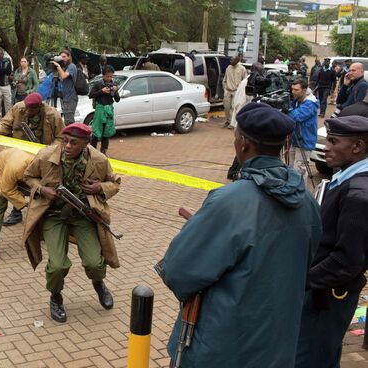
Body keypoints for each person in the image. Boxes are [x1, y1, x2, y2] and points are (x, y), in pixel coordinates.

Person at [156, 103, 321, 368]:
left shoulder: (228, 201)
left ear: (244, 143)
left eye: (235, 137)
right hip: (278, 344)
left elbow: (179, 271)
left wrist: (199, 229)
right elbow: (304, 265)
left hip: (223, 345)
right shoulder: (307, 201)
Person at [22, 122, 121, 323]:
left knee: (94, 262)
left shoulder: (99, 160)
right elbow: (28, 176)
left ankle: (98, 283)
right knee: (57, 265)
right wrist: (42, 190)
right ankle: (55, 296)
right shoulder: (46, 155)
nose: (67, 146)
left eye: (73, 143)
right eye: (65, 141)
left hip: (82, 216)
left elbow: (115, 182)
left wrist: (100, 187)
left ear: (85, 143)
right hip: (54, 216)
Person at [294, 116, 368, 368]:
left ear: (357, 147)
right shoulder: (347, 178)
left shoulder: (358, 193)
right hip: (323, 291)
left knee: (310, 357)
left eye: (334, 142)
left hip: (327, 296)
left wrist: (301, 281)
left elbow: (347, 260)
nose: (326, 146)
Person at [0, 92, 65, 225]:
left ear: (39, 107)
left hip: (43, 157)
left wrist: (47, 151)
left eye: (31, 109)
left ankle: (43, 214)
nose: (27, 111)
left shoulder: (52, 115)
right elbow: (5, 124)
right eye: (27, 108)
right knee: (15, 182)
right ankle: (16, 211)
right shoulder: (18, 108)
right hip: (20, 154)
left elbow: (61, 137)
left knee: (41, 185)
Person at [0, 148, 34, 262]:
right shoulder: (15, 169)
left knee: (40, 198)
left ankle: (40, 232)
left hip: (19, 166)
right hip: (2, 171)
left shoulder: (41, 164)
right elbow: (6, 190)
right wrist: (25, 203)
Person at [288, 78, 319, 180]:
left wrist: (286, 109)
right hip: (295, 139)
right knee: (291, 169)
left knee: (299, 171)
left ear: (304, 90)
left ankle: (301, 193)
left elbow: (296, 117)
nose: (293, 92)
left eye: (296, 90)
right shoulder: (297, 100)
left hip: (305, 141)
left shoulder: (310, 103)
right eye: (292, 89)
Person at [88, 65, 120, 154]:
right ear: (103, 75)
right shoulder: (98, 84)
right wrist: (102, 91)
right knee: (96, 132)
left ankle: (103, 153)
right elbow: (91, 95)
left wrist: (115, 91)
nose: (109, 78)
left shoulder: (113, 84)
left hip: (109, 110)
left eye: (111, 76)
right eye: (107, 76)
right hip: (100, 109)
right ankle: (92, 152)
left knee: (106, 133)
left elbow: (117, 99)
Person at [51, 50, 79, 125]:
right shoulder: (64, 67)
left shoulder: (71, 66)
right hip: (64, 97)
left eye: (64, 57)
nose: (62, 58)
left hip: (71, 97)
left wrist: (58, 66)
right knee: (66, 119)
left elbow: (63, 76)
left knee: (69, 120)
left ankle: (72, 136)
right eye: (61, 57)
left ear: (69, 57)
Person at [222, 55, 247, 128]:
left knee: (234, 107)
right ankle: (228, 120)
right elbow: (224, 80)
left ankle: (233, 124)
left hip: (236, 91)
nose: (230, 61)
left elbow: (245, 81)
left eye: (232, 60)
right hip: (228, 90)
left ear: (237, 60)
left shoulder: (242, 69)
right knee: (226, 107)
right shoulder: (228, 68)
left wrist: (241, 91)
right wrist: (225, 89)